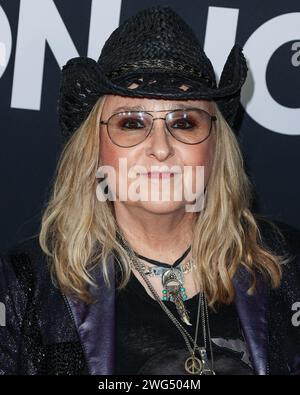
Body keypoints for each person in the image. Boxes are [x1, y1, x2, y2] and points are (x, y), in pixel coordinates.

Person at [0, 5, 299, 375]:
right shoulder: (23, 286)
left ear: (216, 146)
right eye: (132, 122)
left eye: (185, 121)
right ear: (94, 146)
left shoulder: (288, 265)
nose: (160, 147)